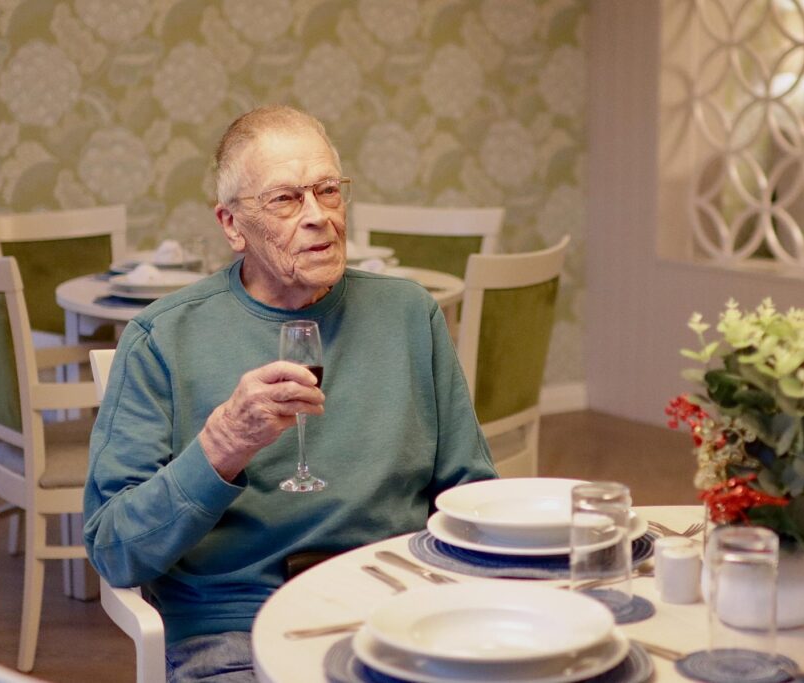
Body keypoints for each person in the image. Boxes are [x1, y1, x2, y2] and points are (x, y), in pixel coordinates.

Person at [83, 105, 497, 682]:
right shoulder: (162, 338)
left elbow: (471, 495)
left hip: (395, 617)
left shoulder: (409, 314)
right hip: (237, 634)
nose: (318, 217)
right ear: (231, 225)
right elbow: (114, 549)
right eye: (284, 199)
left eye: (328, 190)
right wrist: (222, 446)